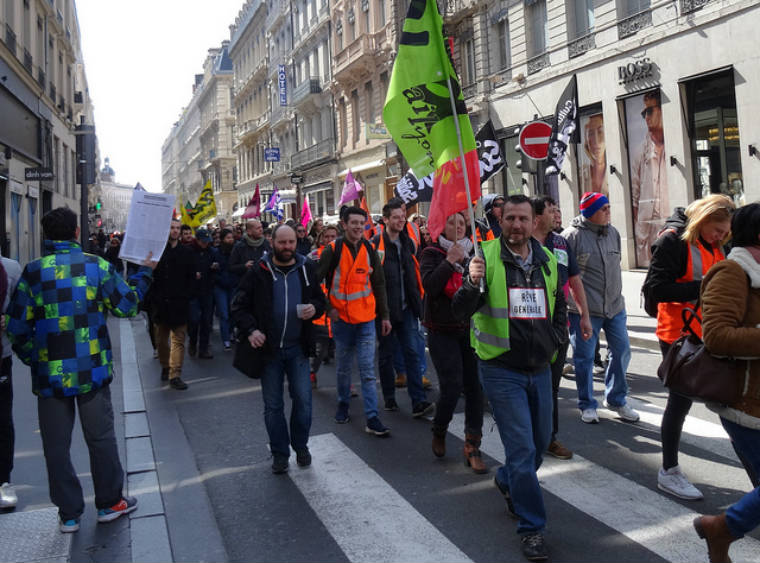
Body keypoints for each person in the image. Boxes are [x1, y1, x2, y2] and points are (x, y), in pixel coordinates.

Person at [6, 207, 156, 532]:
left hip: (49, 375)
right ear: (76, 232)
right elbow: (127, 305)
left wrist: (35, 357)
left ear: (46, 236)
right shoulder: (96, 266)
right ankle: (109, 503)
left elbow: (15, 328)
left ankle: (70, 514)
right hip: (91, 370)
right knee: (101, 439)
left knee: (56, 447)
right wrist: (145, 273)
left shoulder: (33, 272)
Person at [452, 195, 565, 561]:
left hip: (539, 367)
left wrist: (557, 341)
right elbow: (460, 312)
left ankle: (506, 481)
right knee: (521, 450)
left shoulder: (548, 259)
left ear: (535, 222)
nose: (517, 225)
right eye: (510, 218)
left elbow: (558, 306)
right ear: (501, 221)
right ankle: (532, 528)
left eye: (524, 218)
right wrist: (470, 283)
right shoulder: (483, 257)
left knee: (541, 442)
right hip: (501, 368)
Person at [647, 195, 734, 500]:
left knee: (728, 399)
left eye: (725, 234)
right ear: (701, 221)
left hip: (712, 333)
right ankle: (669, 471)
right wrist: (707, 288)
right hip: (679, 336)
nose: (721, 237)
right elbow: (655, 291)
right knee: (680, 402)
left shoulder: (715, 244)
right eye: (717, 231)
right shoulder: (672, 242)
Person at [693, 202, 760, 563]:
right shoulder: (733, 272)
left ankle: (723, 529)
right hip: (746, 403)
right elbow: (716, 335)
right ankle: (722, 527)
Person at [231, 225, 325, 474]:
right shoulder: (259, 271)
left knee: (303, 402)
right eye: (282, 242)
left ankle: (301, 445)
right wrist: (252, 330)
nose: (287, 247)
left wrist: (314, 308)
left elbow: (320, 300)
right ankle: (280, 453)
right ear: (272, 242)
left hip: (298, 349)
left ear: (297, 242)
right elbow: (238, 306)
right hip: (270, 351)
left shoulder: (306, 267)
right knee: (273, 406)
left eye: (291, 242)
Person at [562, 192, 639, 424]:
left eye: (608, 207)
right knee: (584, 357)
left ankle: (616, 399)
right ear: (590, 212)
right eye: (603, 208)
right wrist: (574, 306)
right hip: (585, 310)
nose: (608, 211)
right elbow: (565, 276)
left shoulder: (613, 233)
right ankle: (587, 404)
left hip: (615, 307)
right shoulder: (570, 237)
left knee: (622, 350)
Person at [317, 206, 391, 437]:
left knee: (368, 370)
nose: (359, 227)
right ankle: (343, 404)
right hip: (342, 321)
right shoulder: (332, 250)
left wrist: (385, 316)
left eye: (362, 223)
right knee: (344, 367)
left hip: (366, 319)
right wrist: (329, 309)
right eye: (354, 223)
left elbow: (379, 284)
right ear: (344, 224)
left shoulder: (370, 249)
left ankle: (372, 417)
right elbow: (315, 282)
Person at [420, 212, 485, 473]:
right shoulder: (431, 253)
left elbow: (483, 293)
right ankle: (440, 428)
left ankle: (472, 445)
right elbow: (431, 286)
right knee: (451, 387)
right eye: (451, 223)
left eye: (461, 223)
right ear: (442, 226)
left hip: (468, 328)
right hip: (441, 330)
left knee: (475, 388)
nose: (458, 228)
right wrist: (450, 260)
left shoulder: (475, 252)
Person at [532, 196, 592, 460]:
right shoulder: (522, 243)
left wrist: (585, 315)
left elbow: (575, 281)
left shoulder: (561, 243)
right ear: (537, 217)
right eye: (551, 211)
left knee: (552, 388)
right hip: (528, 329)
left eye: (557, 209)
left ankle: (549, 437)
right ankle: (529, 435)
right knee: (530, 386)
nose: (557, 215)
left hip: (558, 328)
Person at [372, 198, 433, 417]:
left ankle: (418, 401)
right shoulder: (375, 245)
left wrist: (419, 306)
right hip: (385, 311)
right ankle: (389, 397)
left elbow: (413, 275)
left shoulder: (408, 243)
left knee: (413, 354)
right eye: (395, 218)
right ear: (386, 220)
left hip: (407, 309)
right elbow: (373, 280)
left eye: (402, 217)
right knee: (387, 355)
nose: (400, 221)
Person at [150, 219, 196, 390]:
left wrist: (187, 295)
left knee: (178, 340)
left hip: (179, 303)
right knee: (161, 340)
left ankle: (175, 374)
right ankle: (165, 366)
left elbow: (192, 277)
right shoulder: (157, 252)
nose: (175, 231)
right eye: (172, 228)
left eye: (177, 228)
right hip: (161, 303)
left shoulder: (187, 252)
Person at [631, 90, 668, 267]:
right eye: (644, 113)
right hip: (646, 235)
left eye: (650, 111)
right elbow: (634, 197)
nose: (646, 117)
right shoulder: (640, 152)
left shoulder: (672, 146)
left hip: (669, 228)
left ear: (663, 110)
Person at [0, 253, 22, 509]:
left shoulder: (11, 269)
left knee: (2, 420)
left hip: (2, 355)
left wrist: (10, 319)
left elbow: (21, 308)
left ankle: (3, 480)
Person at [308, 225, 338, 388]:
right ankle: (312, 372)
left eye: (333, 236)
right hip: (321, 311)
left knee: (343, 351)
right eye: (326, 236)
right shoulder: (312, 257)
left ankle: (347, 384)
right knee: (321, 349)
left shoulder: (343, 253)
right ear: (320, 238)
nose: (330, 239)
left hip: (339, 308)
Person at [187, 228, 216, 359]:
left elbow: (217, 266)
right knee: (193, 320)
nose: (206, 244)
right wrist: (192, 274)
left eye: (207, 242)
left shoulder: (211, 252)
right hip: (193, 291)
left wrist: (214, 267)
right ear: (197, 241)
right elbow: (183, 270)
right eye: (203, 242)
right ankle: (192, 341)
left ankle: (203, 348)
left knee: (206, 321)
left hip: (207, 290)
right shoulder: (189, 251)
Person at [212, 228, 237, 351]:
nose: (230, 240)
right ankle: (226, 339)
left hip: (233, 285)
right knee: (224, 314)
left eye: (231, 237)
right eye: (228, 238)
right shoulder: (216, 253)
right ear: (222, 239)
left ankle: (231, 331)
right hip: (220, 287)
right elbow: (213, 270)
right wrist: (219, 279)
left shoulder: (236, 251)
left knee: (233, 312)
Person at [581, 114, 608, 196]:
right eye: (591, 134)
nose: (596, 141)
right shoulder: (581, 175)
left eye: (600, 132)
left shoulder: (618, 170)